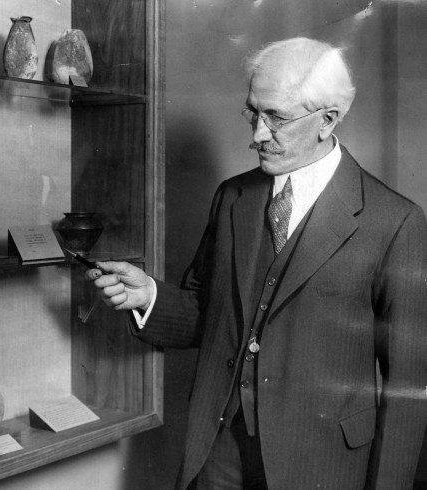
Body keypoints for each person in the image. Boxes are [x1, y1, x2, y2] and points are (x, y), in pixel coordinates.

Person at [86, 37, 427, 490]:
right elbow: (206, 313)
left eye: (277, 118)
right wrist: (148, 295)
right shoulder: (233, 198)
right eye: (254, 113)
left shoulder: (395, 221)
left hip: (322, 462)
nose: (257, 135)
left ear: (327, 120)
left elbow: (409, 388)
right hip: (219, 450)